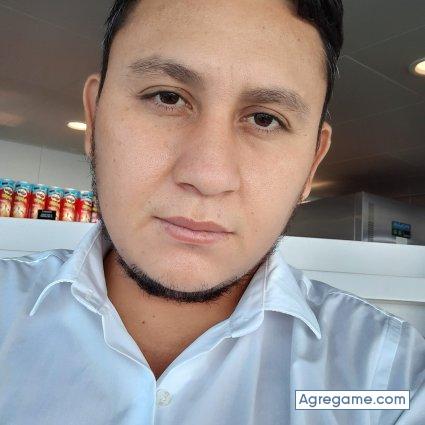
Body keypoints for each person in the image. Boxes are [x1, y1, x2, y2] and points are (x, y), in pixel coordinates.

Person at [0, 0, 424, 423]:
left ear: (312, 163)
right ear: (94, 120)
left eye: (265, 119)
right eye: (167, 97)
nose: (208, 175)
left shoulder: (389, 380)